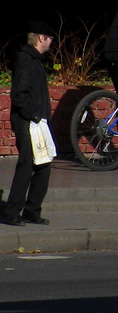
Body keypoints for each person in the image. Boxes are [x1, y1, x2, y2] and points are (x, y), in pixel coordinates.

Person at [2, 21, 55, 226]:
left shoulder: (34, 60)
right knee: (26, 166)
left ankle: (32, 210)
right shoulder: (26, 60)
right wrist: (33, 115)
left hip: (36, 121)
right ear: (41, 38)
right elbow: (19, 94)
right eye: (50, 38)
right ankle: (12, 212)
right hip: (28, 122)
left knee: (43, 164)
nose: (51, 43)